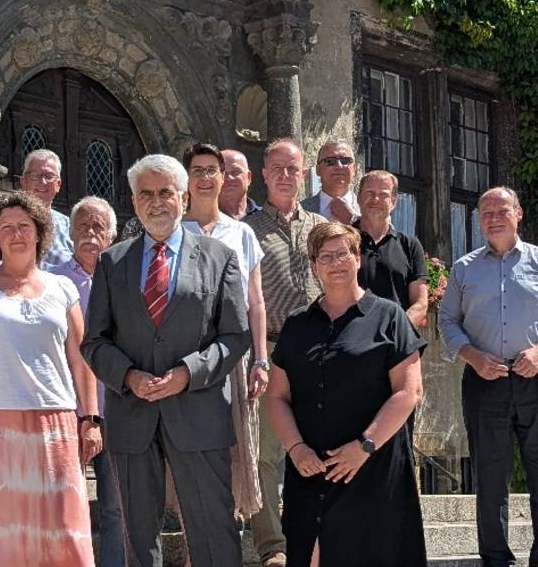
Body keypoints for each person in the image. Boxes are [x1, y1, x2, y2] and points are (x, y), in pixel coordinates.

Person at [82, 154, 251, 567]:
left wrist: (187, 373)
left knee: (213, 531)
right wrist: (128, 376)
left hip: (199, 411)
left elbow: (236, 336)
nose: (156, 202)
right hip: (132, 414)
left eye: (164, 193)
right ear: (134, 202)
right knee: (138, 539)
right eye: (145, 194)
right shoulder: (112, 262)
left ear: (183, 196)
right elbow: (94, 341)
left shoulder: (220, 257)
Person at [0, 192, 102, 565]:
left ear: (40, 232)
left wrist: (91, 418)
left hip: (56, 424)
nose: (16, 234)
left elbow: (81, 359)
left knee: (62, 532)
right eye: (6, 227)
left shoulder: (63, 288)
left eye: (24, 226)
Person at [267, 222, 426, 567]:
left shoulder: (389, 316)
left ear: (357, 258)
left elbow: (409, 391)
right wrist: (295, 448)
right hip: (311, 467)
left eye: (343, 254)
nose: (335, 263)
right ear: (314, 265)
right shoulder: (297, 323)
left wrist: (364, 446)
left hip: (372, 467)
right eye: (325, 257)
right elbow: (277, 396)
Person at [437, 186, 538, 567]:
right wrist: (472, 356)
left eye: (502, 211)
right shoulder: (464, 268)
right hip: (484, 381)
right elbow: (447, 321)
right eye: (486, 213)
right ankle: (496, 559)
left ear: (518, 214)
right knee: (489, 477)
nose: (494, 218)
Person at [244, 139, 327, 567]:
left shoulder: (319, 226)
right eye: (276, 168)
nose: (284, 175)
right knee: (266, 451)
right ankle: (272, 545)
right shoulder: (248, 230)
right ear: (263, 174)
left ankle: (313, 538)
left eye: (292, 168)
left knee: (318, 442)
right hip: (270, 348)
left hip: (317, 348)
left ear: (303, 174)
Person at [180, 142, 269, 518]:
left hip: (232, 354)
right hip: (183, 354)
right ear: (186, 179)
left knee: (232, 446)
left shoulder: (242, 233)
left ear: (222, 178)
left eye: (211, 170)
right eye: (197, 170)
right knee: (186, 447)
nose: (205, 178)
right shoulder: (173, 230)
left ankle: (226, 530)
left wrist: (261, 360)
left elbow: (256, 302)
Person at [49, 197, 127, 567]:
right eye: (82, 226)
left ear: (111, 236)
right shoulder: (51, 282)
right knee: (63, 506)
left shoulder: (127, 281)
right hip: (64, 409)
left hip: (117, 408)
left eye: (98, 227)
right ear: (69, 232)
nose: (90, 234)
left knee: (116, 506)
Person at [354, 170, 429, 328]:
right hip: (351, 336)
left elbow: (421, 304)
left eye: (383, 195)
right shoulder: (342, 241)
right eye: (369, 193)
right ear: (358, 198)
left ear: (393, 202)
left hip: (397, 337)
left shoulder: (410, 245)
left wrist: (397, 331)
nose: (375, 199)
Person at [21, 148, 75, 267]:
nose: (43, 182)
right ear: (23, 181)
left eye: (49, 176)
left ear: (58, 185)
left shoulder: (71, 228)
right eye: (35, 175)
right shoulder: (4, 221)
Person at [299, 139, 359, 224]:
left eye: (345, 161)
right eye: (330, 161)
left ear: (354, 169)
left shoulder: (370, 209)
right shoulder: (299, 210)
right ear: (318, 169)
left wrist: (352, 220)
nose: (339, 166)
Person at [220, 148, 261, 220]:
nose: (229, 178)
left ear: (248, 178)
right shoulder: (201, 219)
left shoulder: (268, 219)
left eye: (235, 172)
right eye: (222, 173)